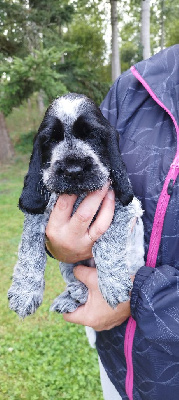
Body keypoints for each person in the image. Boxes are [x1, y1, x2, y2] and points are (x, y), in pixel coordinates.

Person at [45, 44, 179, 400]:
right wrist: (61, 243)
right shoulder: (135, 86)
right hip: (121, 368)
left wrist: (134, 298)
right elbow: (76, 186)